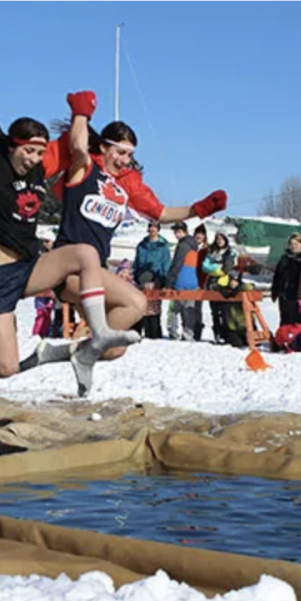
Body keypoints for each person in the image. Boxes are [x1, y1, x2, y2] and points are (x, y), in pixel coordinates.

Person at [0, 39, 140, 392]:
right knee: (5, 368)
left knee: (85, 253)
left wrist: (81, 112)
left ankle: (97, 333)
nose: (34, 158)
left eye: (39, 152)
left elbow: (73, 147)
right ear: (12, 146)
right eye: (28, 151)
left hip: (29, 267)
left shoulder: (37, 170)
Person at [53, 97, 227, 387]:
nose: (124, 160)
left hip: (93, 271)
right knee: (137, 302)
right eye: (119, 152)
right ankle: (80, 351)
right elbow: (78, 146)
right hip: (68, 266)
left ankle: (58, 353)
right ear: (104, 147)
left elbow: (160, 212)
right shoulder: (85, 168)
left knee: (113, 349)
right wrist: (81, 113)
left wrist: (200, 208)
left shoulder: (126, 184)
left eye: (129, 155)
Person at [166, 222, 201, 341]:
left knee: (173, 309)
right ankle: (188, 333)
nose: (176, 234)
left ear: (185, 231)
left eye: (179, 231)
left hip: (180, 279)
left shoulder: (183, 245)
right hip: (192, 281)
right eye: (175, 231)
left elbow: (177, 264)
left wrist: (169, 282)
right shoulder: (194, 245)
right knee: (189, 309)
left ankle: (173, 332)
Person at [203, 232, 238, 344]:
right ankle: (217, 334)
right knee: (214, 312)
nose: (219, 241)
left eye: (221, 239)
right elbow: (205, 266)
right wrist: (216, 267)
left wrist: (216, 269)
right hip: (212, 284)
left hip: (224, 284)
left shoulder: (230, 252)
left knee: (225, 311)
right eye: (217, 239)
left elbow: (227, 268)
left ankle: (226, 334)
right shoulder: (212, 252)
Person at [271, 233, 301, 327]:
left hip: (297, 294)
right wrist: (275, 290)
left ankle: (296, 339)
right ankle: (284, 339)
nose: (294, 246)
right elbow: (277, 275)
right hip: (284, 293)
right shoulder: (284, 258)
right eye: (292, 244)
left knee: (297, 319)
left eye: (296, 244)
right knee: (285, 318)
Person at [133, 222, 171, 289]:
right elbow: (136, 264)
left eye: (155, 227)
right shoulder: (141, 245)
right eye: (151, 226)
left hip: (157, 280)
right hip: (142, 279)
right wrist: (135, 277)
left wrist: (164, 282)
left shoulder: (163, 246)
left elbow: (166, 265)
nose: (152, 229)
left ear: (158, 229)